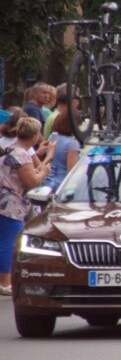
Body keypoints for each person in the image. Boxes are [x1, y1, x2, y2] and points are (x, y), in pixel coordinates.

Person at [0, 116, 52, 295]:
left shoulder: (10, 147)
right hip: (10, 204)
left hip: (4, 200)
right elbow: (31, 182)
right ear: (36, 135)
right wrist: (44, 171)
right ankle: (5, 282)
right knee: (9, 243)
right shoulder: (22, 154)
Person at [42, 87, 81, 190]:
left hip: (47, 181)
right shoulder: (73, 144)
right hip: (61, 186)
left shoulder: (53, 136)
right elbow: (71, 172)